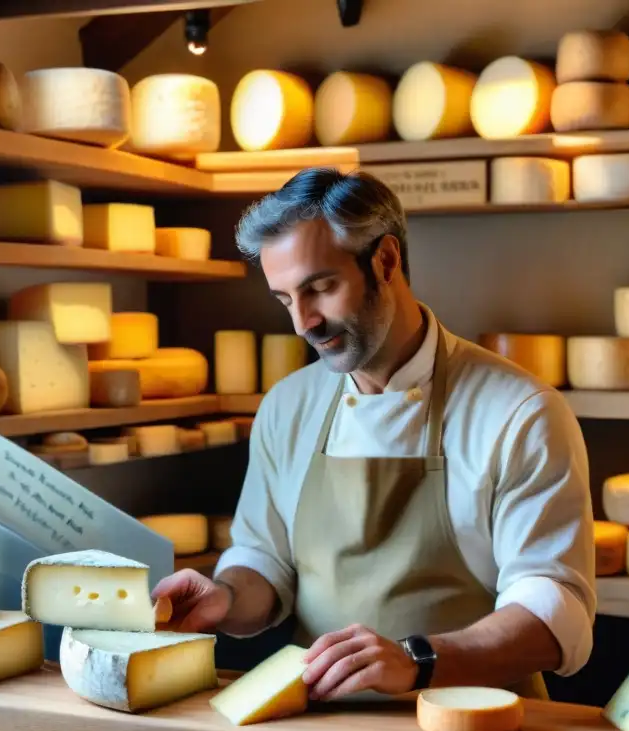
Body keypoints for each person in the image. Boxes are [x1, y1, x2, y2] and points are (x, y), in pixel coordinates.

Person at [151, 167, 595, 702]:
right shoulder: (286, 407)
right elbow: (265, 561)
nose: (303, 324)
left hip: (475, 728)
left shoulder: (520, 413)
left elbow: (555, 612)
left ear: (385, 261)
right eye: (286, 299)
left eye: (320, 288)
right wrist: (225, 597)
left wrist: (416, 660)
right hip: (320, 729)